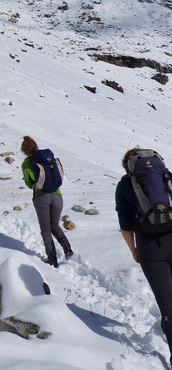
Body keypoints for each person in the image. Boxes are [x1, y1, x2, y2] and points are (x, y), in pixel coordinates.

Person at [116, 148, 172, 366]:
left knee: (168, 304)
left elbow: (125, 224)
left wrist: (133, 250)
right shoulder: (165, 176)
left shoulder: (124, 185)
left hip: (150, 248)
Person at [20, 135, 73, 267]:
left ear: (25, 151)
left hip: (41, 198)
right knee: (55, 225)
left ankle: (52, 260)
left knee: (45, 230)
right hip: (57, 196)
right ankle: (68, 249)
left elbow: (28, 184)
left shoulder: (27, 163)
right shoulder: (49, 159)